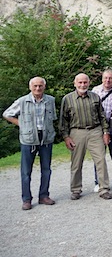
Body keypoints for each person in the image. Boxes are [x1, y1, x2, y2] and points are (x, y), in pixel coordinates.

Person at [3, 77, 57, 210]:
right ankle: (26, 199)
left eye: (40, 86)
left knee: (46, 169)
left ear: (44, 87)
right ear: (30, 87)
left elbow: (53, 118)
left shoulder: (50, 100)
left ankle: (44, 196)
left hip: (46, 138)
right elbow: (7, 114)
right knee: (26, 171)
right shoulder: (22, 101)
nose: (38, 88)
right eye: (35, 86)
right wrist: (22, 125)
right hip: (28, 139)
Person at [59, 73, 112, 200]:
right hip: (77, 132)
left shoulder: (95, 97)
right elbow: (63, 120)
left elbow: (102, 116)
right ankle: (76, 189)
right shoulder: (67, 99)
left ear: (89, 83)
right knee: (76, 163)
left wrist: (106, 132)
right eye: (80, 82)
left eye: (85, 82)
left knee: (100, 160)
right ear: (75, 83)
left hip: (95, 131)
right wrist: (66, 137)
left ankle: (104, 188)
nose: (82, 85)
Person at [91, 69, 112, 193]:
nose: (107, 80)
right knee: (99, 156)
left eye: (110, 78)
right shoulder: (95, 90)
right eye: (105, 78)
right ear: (102, 79)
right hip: (99, 127)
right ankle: (98, 182)